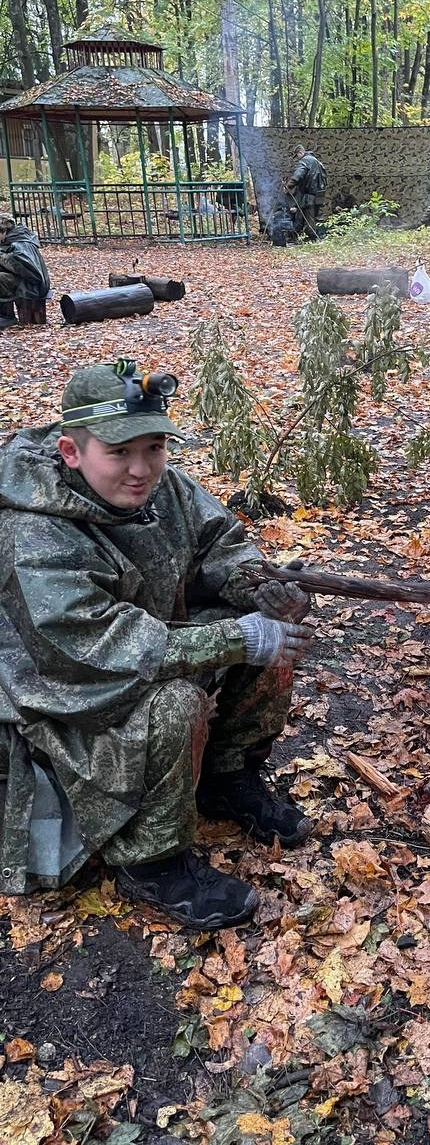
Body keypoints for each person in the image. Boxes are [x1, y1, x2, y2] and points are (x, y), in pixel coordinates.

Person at [0, 360, 317, 929]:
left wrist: (256, 586)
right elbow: (96, 646)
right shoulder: (33, 531)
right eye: (119, 453)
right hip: (63, 694)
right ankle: (153, 862)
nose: (141, 469)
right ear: (72, 452)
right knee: (176, 703)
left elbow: (219, 540)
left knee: (269, 632)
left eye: (153, 448)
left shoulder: (160, 486)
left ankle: (227, 775)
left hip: (144, 645)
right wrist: (234, 637)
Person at [0, 211, 50, 328]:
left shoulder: (20, 243)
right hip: (25, 281)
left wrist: (2, 257)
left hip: (32, 286)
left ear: (3, 231)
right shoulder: (11, 239)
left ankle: (7, 317)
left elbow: (31, 271)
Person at [288, 144, 327, 237]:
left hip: (308, 194)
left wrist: (289, 185)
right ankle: (309, 235)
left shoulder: (305, 160)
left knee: (306, 217)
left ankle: (312, 237)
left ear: (300, 152)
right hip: (319, 194)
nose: (297, 158)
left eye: (297, 155)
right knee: (312, 216)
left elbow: (298, 174)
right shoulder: (317, 162)